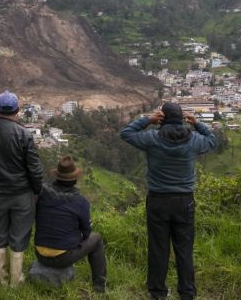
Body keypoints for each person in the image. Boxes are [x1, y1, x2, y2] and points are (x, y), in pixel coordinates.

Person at [120, 102, 217, 300]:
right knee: (184, 249)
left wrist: (148, 120)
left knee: (158, 249)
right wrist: (198, 124)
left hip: (157, 200)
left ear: (162, 117)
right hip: (184, 201)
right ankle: (187, 293)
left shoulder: (152, 138)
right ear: (182, 118)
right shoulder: (194, 140)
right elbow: (212, 141)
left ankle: (157, 293)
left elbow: (126, 132)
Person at [0, 90, 43, 287]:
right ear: (17, 110)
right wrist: (37, 190)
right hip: (21, 194)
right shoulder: (23, 134)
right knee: (19, 235)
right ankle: (16, 281)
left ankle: (3, 279)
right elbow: (34, 168)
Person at [34, 155, 107, 292]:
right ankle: (99, 286)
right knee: (96, 239)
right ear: (75, 179)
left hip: (39, 253)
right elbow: (86, 233)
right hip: (62, 258)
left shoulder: (42, 192)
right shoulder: (80, 201)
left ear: (57, 176)